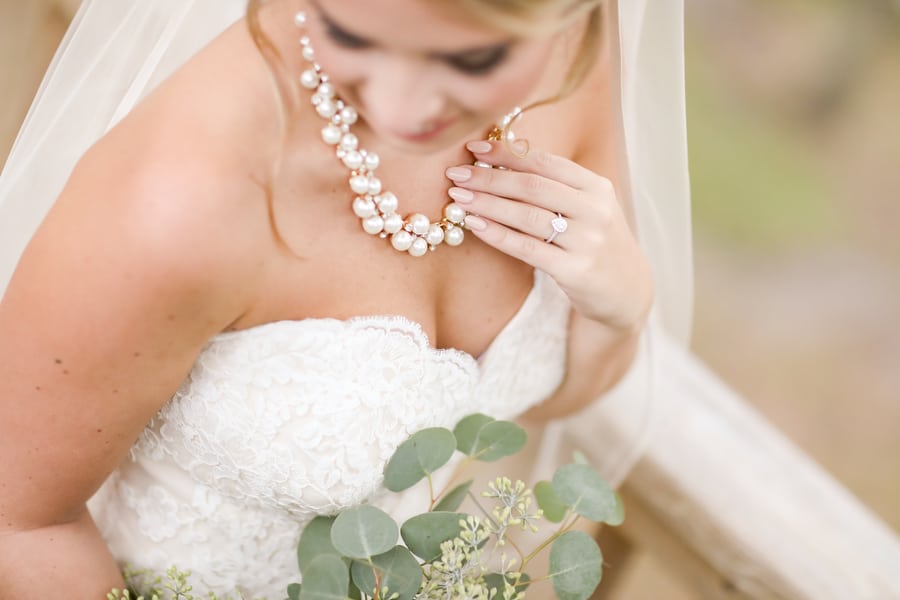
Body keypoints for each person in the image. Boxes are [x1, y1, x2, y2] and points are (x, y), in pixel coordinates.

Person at [0, 0, 691, 598]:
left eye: (473, 59)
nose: (401, 110)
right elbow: (16, 523)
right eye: (350, 34)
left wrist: (620, 304)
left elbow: (543, 397)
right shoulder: (182, 199)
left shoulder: (575, 54)